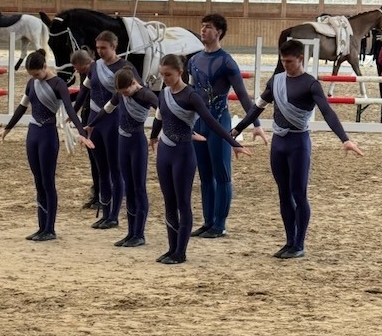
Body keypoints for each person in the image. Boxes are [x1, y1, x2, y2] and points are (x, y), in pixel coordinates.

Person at [232, 39, 363, 260]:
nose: (285, 65)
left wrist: (345, 139)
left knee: (298, 193)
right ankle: (289, 241)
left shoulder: (311, 84)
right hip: (279, 143)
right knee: (283, 193)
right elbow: (258, 107)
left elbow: (327, 112)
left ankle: (299, 244)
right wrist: (238, 129)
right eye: (283, 61)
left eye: (289, 61)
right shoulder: (276, 81)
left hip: (298, 143)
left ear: (301, 59)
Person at [150, 54, 251, 265]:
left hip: (183, 154)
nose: (165, 79)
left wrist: (234, 143)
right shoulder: (164, 93)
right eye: (162, 75)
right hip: (165, 152)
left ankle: (181, 252)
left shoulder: (191, 96)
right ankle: (171, 248)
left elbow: (212, 123)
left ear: (180, 72)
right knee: (169, 202)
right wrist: (153, 137)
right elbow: (159, 116)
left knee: (183, 202)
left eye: (168, 75)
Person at [0, 49, 94, 241]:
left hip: (48, 135)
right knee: (38, 181)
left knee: (48, 182)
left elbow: (70, 110)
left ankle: (50, 228)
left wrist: (82, 133)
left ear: (44, 66)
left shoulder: (58, 84)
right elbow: (22, 107)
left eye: (37, 74)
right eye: (32, 75)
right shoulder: (31, 83)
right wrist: (7, 128)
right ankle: (41, 227)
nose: (35, 78)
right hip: (33, 134)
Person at [187, 13, 267, 239]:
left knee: (221, 174)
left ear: (219, 32)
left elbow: (242, 94)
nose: (203, 30)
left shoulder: (227, 62)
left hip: (219, 123)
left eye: (208, 27)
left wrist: (256, 123)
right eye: (202, 26)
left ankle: (220, 224)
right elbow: (191, 93)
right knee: (205, 176)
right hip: (199, 123)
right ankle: (208, 221)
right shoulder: (193, 61)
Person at [73, 31, 141, 230]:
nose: (100, 51)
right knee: (101, 169)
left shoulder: (125, 67)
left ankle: (114, 215)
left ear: (114, 47)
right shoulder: (95, 66)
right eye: (98, 48)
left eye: (104, 48)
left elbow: (139, 89)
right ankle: (105, 212)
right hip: (95, 121)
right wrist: (74, 110)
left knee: (115, 169)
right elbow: (85, 89)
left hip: (114, 121)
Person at [87, 66, 158, 247]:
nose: (124, 95)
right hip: (123, 143)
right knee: (129, 188)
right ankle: (130, 232)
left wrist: (155, 135)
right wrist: (91, 125)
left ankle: (139, 234)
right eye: (121, 92)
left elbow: (162, 112)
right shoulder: (120, 94)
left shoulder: (146, 95)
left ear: (134, 82)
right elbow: (107, 109)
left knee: (138, 188)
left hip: (137, 144)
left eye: (126, 91)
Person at [70, 46, 100, 210]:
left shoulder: (98, 72)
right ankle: (97, 192)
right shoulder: (87, 72)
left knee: (100, 160)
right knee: (93, 159)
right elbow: (82, 93)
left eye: (80, 70)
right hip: (87, 116)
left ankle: (103, 194)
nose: (79, 73)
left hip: (98, 119)